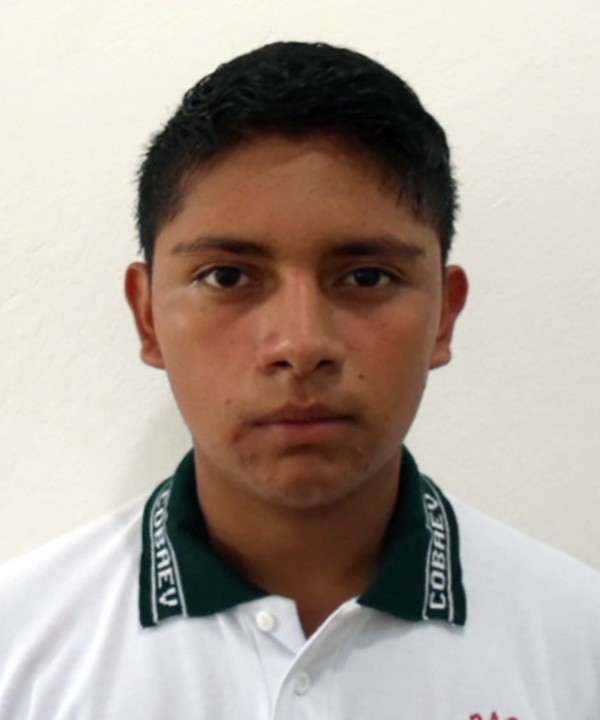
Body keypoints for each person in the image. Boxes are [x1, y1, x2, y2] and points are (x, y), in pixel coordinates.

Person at [0, 41, 598, 719]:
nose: (302, 344)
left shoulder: (580, 645)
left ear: (444, 317)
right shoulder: (19, 650)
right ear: (148, 318)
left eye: (367, 276)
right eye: (227, 276)